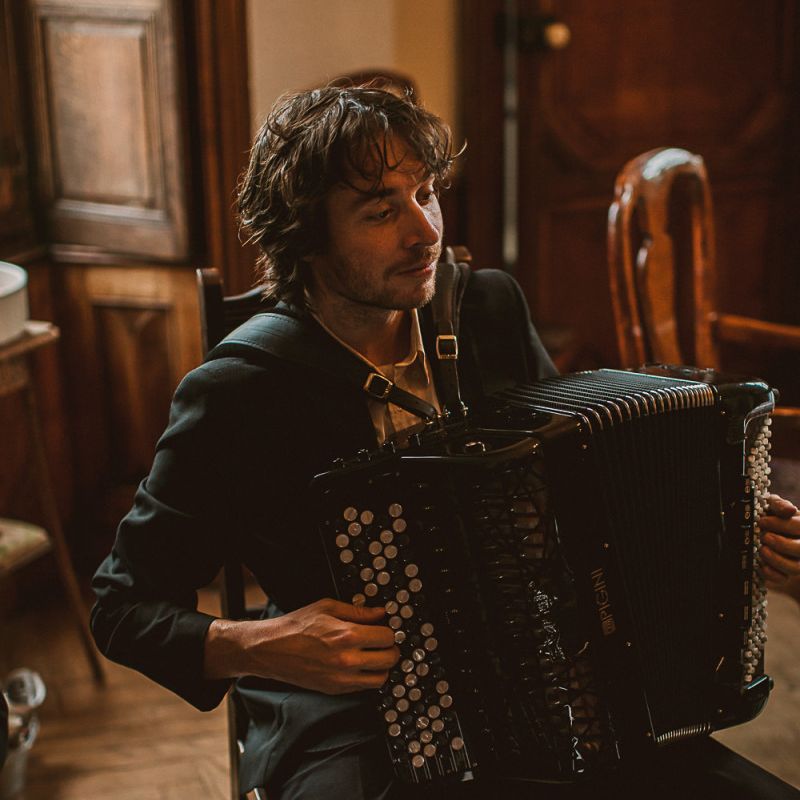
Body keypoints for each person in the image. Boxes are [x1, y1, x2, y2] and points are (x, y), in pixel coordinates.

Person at [90, 85, 800, 799]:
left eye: (426, 193)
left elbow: (584, 486)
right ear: (305, 237)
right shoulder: (241, 391)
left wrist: (721, 528)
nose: (424, 231)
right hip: (356, 710)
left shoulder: (486, 310)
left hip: (552, 684)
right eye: (381, 211)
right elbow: (122, 608)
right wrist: (259, 646)